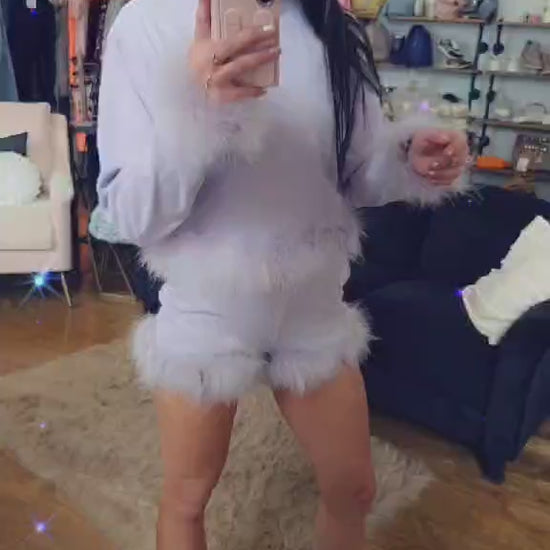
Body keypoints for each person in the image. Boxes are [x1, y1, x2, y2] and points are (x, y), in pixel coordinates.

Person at [96, 0, 469, 548]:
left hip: (312, 301)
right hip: (208, 306)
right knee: (186, 500)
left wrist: (409, 159)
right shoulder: (146, 22)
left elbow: (355, 169)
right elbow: (130, 215)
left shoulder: (328, 23)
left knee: (354, 490)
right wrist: (200, 111)